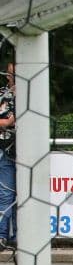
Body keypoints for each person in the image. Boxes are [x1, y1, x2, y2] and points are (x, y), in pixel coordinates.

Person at [0, 60, 14, 249]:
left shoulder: (33, 93)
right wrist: (9, 121)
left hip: (28, 152)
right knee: (5, 194)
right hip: (5, 150)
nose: (12, 78)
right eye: (10, 74)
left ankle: (22, 237)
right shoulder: (3, 94)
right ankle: (2, 236)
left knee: (26, 195)